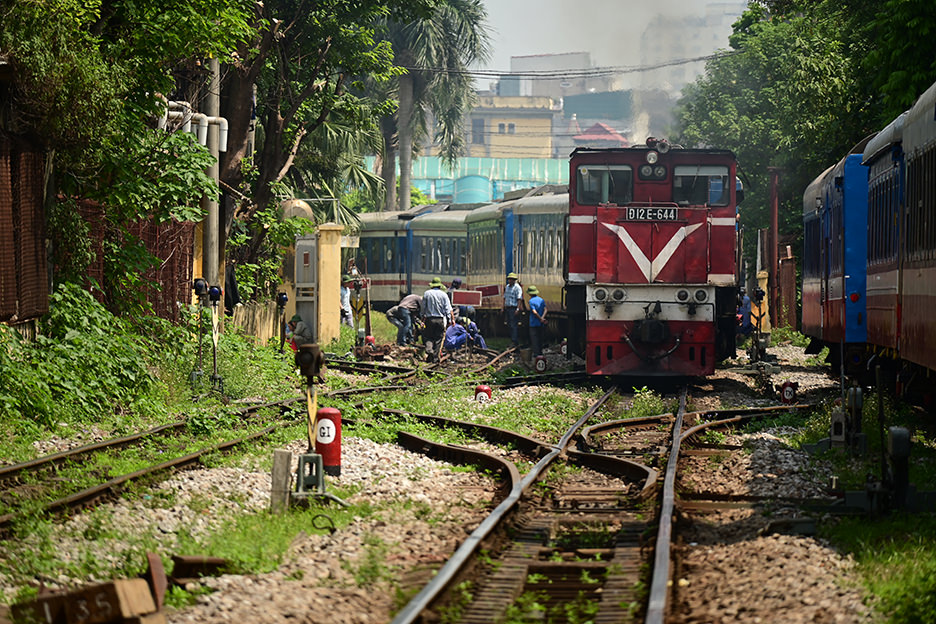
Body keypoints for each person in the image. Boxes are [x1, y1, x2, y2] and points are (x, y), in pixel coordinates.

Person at [422, 277, 454, 362]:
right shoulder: (444, 295)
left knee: (428, 336)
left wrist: (422, 317)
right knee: (438, 339)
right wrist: (450, 320)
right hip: (440, 320)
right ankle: (435, 358)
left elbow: (423, 308)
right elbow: (447, 309)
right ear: (440, 286)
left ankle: (429, 351)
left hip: (429, 319)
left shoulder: (426, 293)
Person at [503, 272, 523, 346]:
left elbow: (519, 299)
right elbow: (504, 297)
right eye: (509, 279)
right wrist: (503, 307)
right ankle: (512, 339)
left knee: (513, 325)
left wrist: (518, 309)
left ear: (514, 280)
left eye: (511, 279)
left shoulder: (517, 288)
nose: (509, 281)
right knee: (509, 324)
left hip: (513, 308)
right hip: (507, 308)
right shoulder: (507, 287)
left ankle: (514, 341)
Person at [527, 285, 547, 357]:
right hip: (541, 324)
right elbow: (545, 309)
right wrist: (542, 318)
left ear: (529, 293)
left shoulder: (531, 301)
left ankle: (536, 354)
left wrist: (540, 318)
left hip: (533, 323)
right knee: (540, 338)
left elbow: (534, 312)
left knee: (534, 339)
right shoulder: (541, 300)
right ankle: (540, 353)